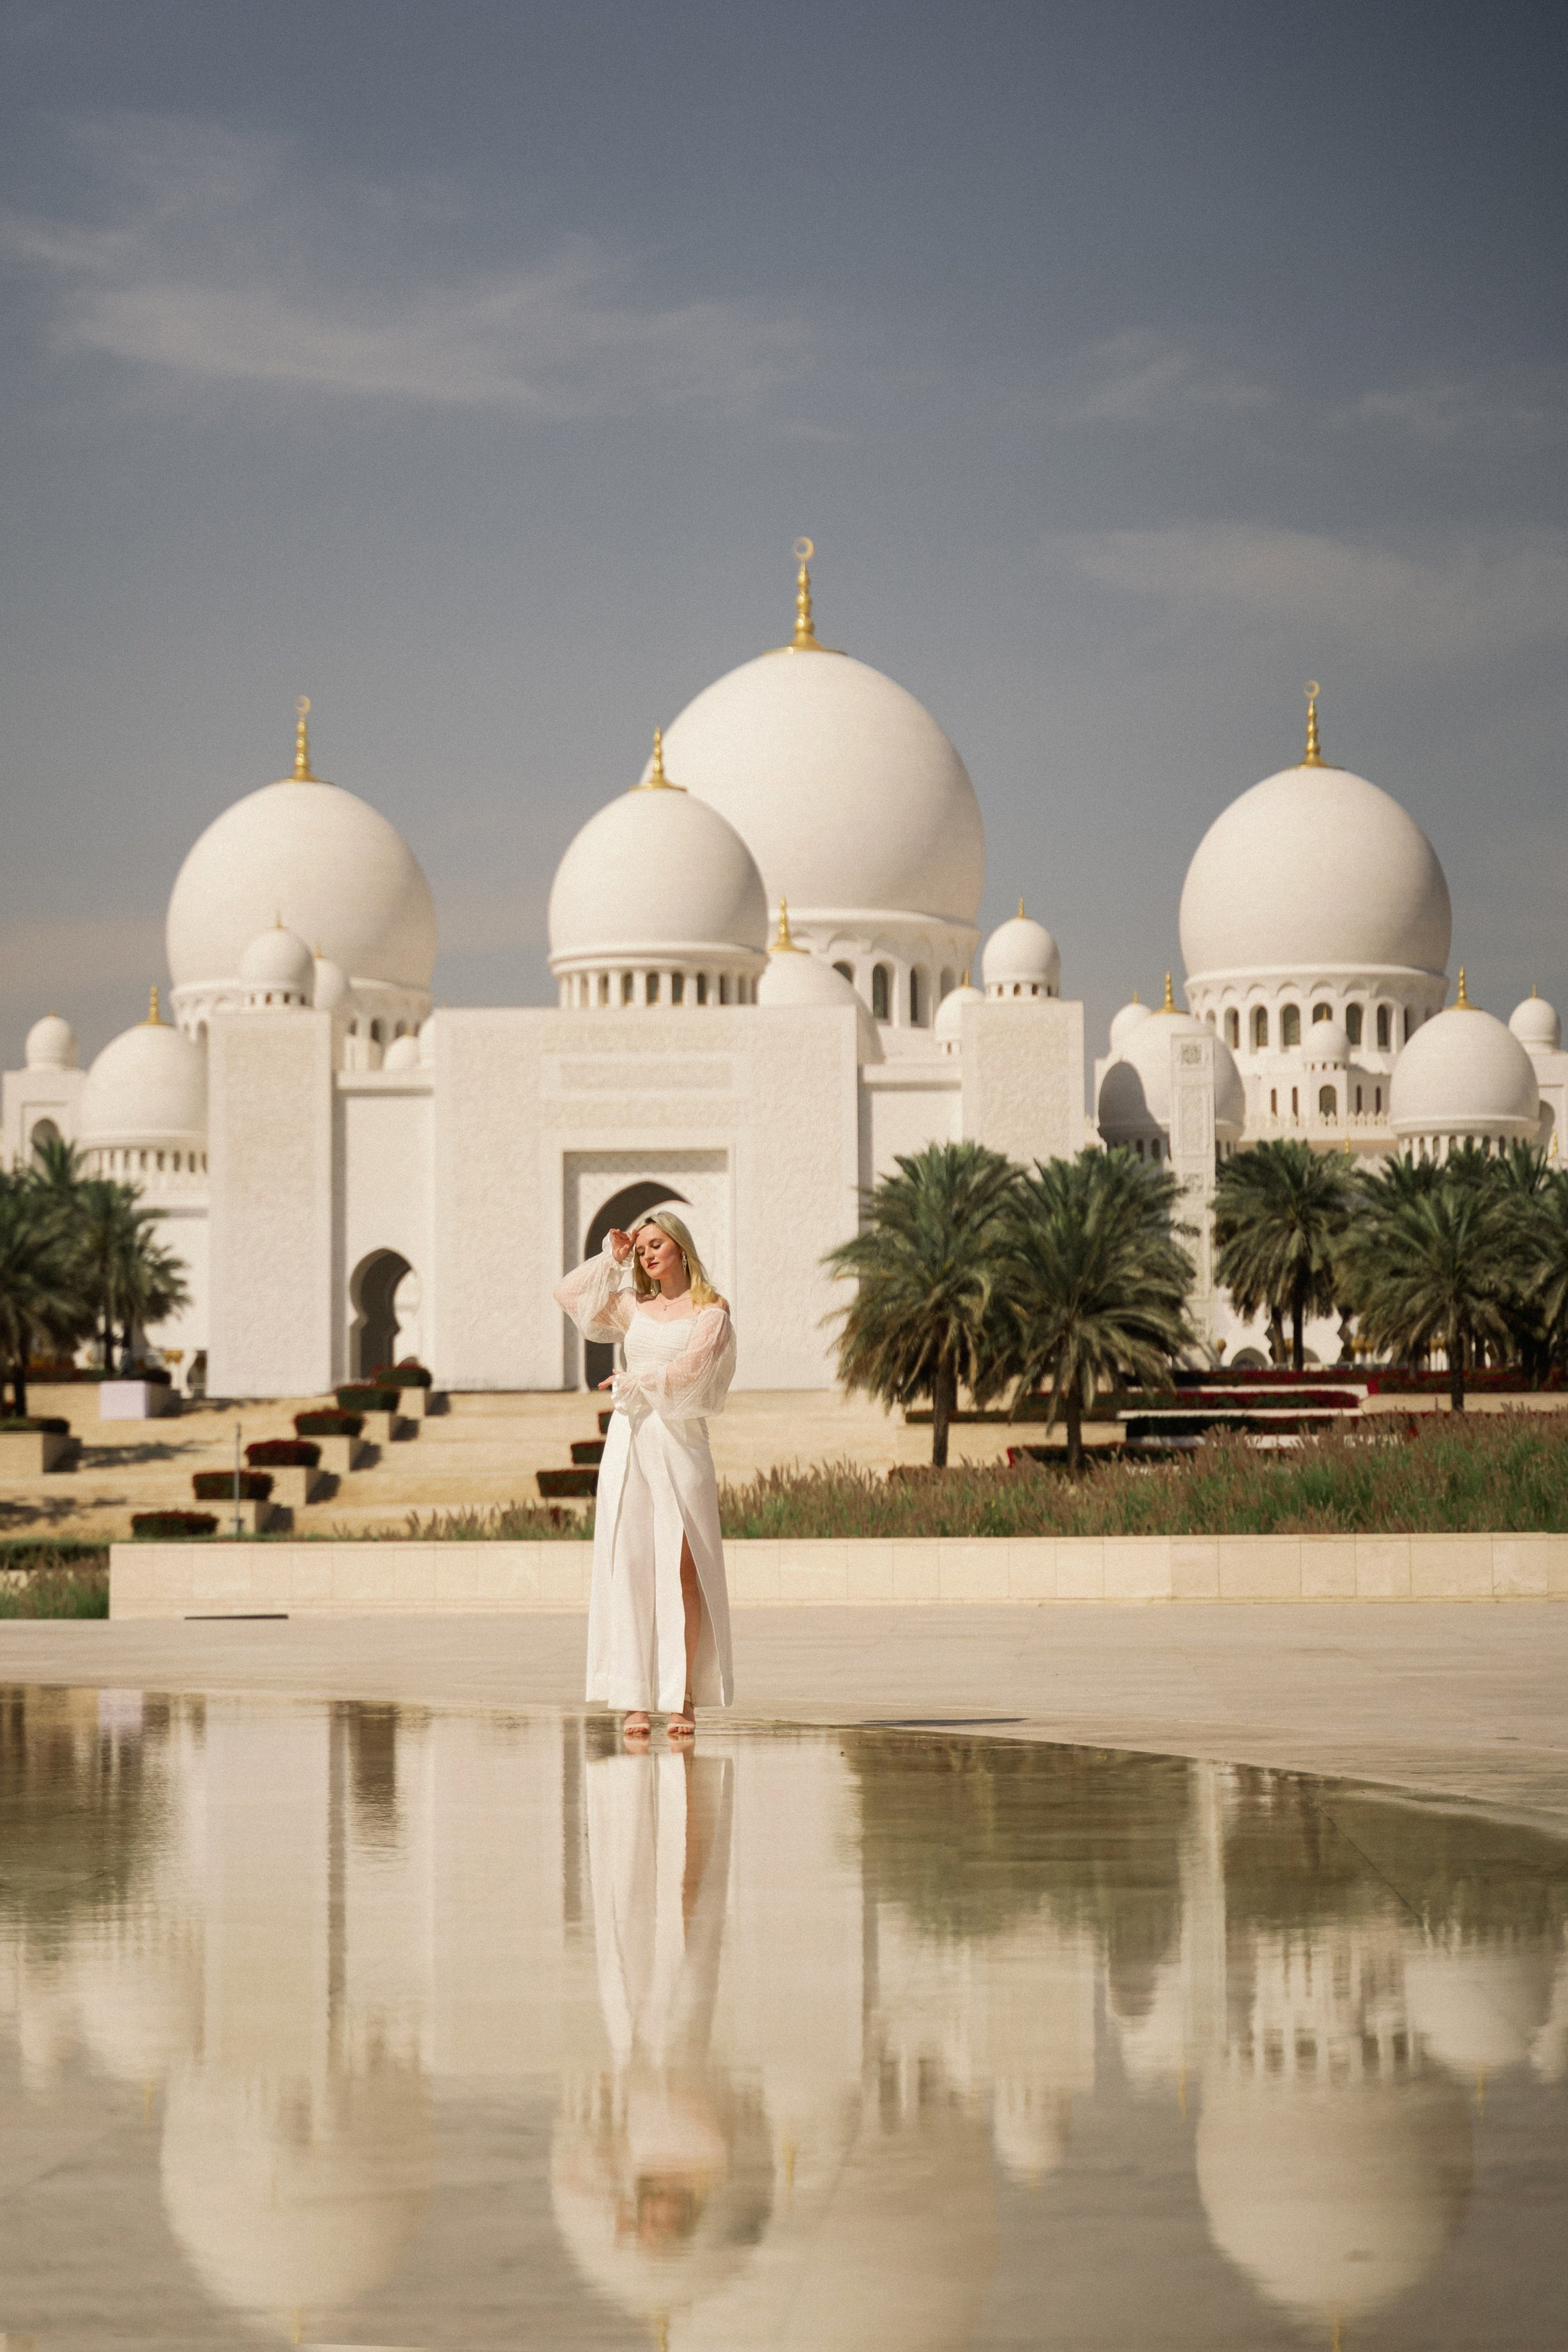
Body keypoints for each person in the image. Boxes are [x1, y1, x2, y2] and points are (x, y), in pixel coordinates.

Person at [554, 1211, 736, 1742]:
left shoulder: (711, 1310)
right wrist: (611, 1259)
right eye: (641, 1250)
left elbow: (696, 1370)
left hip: (680, 1446)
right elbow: (569, 1296)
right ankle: (633, 1696)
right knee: (631, 1565)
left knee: (684, 1572)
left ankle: (682, 1698)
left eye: (656, 1245)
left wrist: (641, 1379)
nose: (648, 1255)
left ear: (681, 1248)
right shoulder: (633, 1307)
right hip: (630, 1443)